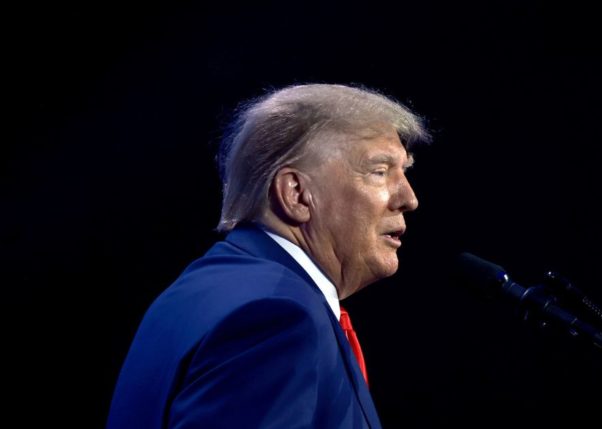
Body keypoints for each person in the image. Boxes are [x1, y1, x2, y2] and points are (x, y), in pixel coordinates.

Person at [107, 83, 429, 428]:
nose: (409, 198)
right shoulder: (277, 317)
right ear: (296, 194)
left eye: (404, 172)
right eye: (379, 171)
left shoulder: (205, 288)